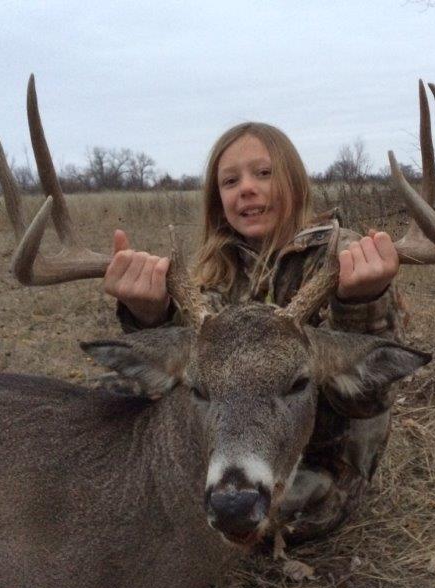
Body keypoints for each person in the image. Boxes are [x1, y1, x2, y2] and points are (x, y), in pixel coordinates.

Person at [104, 122, 407, 542]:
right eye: (230, 181)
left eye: (262, 173)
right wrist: (149, 315)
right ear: (217, 201)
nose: (246, 188)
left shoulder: (346, 258)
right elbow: (173, 388)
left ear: (295, 182)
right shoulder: (208, 277)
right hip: (230, 452)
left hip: (319, 473)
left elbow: (368, 401)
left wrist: (360, 303)